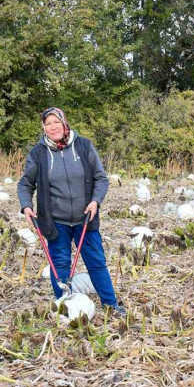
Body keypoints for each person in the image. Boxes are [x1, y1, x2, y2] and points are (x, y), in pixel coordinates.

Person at [17, 107, 126, 316]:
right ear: (43, 128)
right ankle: (66, 307)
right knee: (60, 267)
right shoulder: (38, 153)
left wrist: (95, 201)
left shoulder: (84, 146)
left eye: (56, 122)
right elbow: (25, 184)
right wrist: (26, 206)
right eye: (47, 124)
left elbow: (100, 178)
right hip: (56, 221)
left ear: (64, 123)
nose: (52, 127)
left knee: (96, 263)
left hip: (85, 218)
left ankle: (111, 305)